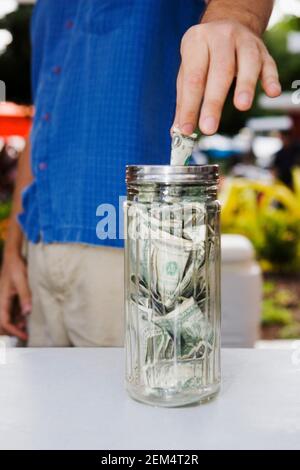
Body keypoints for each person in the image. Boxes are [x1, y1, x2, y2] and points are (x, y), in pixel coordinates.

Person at [0, 0, 281, 347]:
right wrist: (14, 247)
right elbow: (44, 117)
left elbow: (235, 9)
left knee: (146, 394)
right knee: (46, 401)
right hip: (38, 248)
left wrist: (237, 18)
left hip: (138, 249)